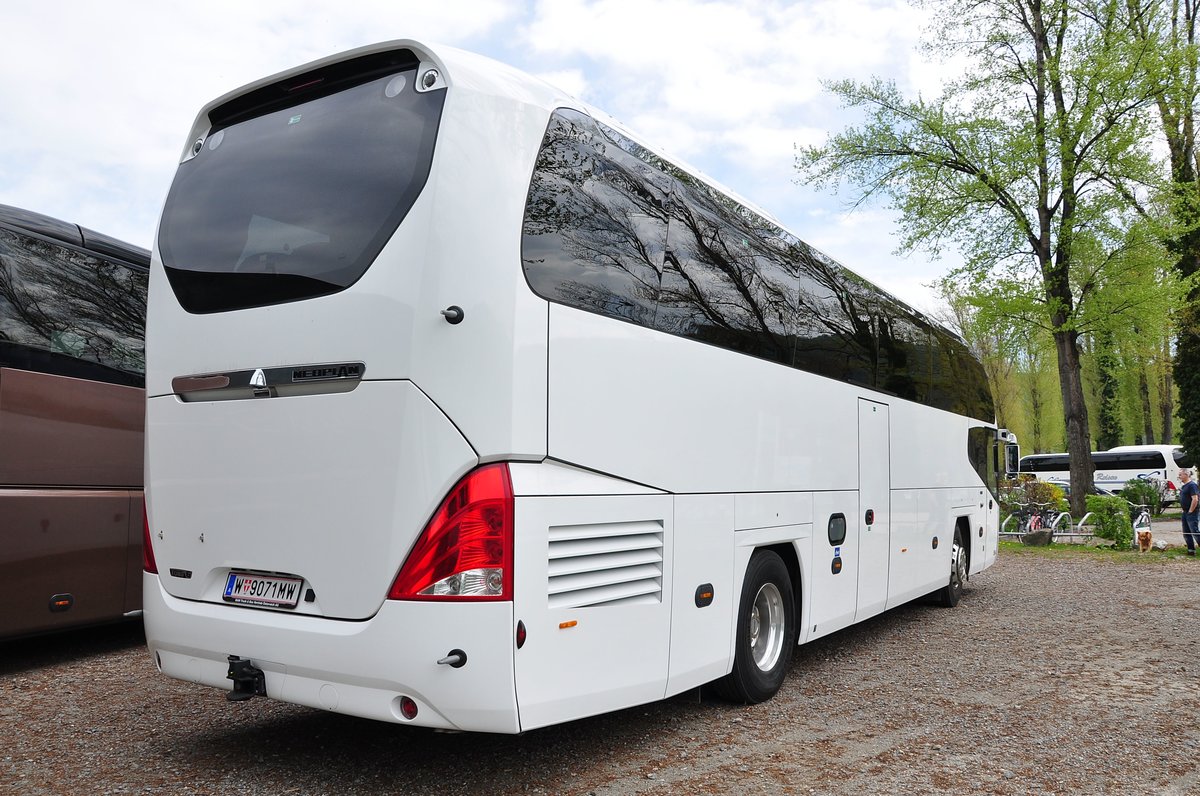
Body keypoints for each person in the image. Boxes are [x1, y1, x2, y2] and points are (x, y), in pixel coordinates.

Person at [1179, 468, 1200, 555]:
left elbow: (1195, 499)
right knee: (1186, 532)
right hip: (1185, 511)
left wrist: (1191, 510)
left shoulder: (1192, 485)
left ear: (1186, 475)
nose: (1179, 476)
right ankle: (1191, 550)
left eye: (1180, 474)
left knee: (1194, 531)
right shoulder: (1184, 486)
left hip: (1192, 512)